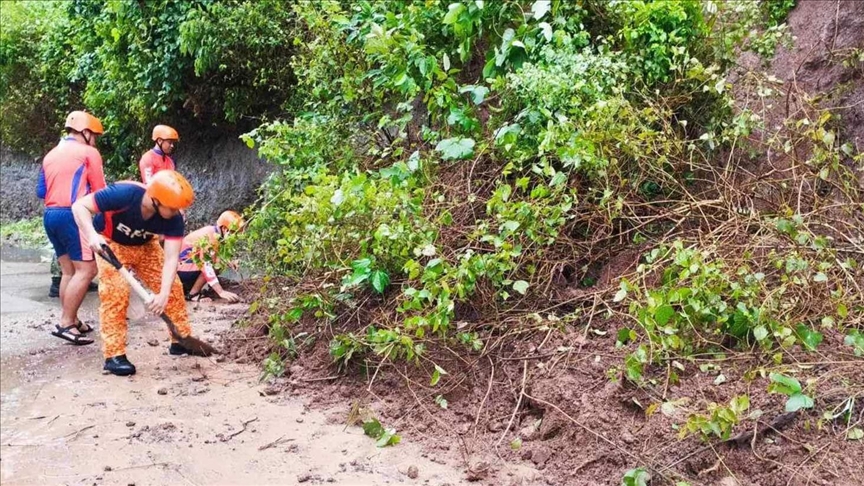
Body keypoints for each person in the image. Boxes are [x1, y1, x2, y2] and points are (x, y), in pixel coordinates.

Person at [71, 170, 204, 376]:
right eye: (172, 207)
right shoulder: (123, 194)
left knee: (175, 288)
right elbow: (80, 206)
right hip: (110, 243)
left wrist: (163, 295)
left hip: (146, 246)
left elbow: (171, 259)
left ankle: (180, 341)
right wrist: (91, 235)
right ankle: (114, 356)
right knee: (116, 293)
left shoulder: (174, 219)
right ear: (155, 200)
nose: (177, 212)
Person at [37, 110, 106, 345]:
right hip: (72, 215)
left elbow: (40, 192)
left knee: (69, 271)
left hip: (50, 215)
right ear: (85, 132)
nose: (95, 140)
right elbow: (100, 191)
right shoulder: (89, 152)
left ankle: (72, 319)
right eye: (94, 135)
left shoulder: (50, 155)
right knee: (87, 270)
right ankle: (66, 323)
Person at [177, 210, 243, 302]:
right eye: (233, 233)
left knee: (217, 264)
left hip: (183, 268)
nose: (235, 237)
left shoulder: (214, 232)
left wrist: (229, 262)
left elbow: (215, 257)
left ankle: (190, 289)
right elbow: (207, 266)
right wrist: (221, 292)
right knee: (213, 265)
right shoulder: (210, 238)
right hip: (180, 269)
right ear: (224, 229)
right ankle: (193, 294)